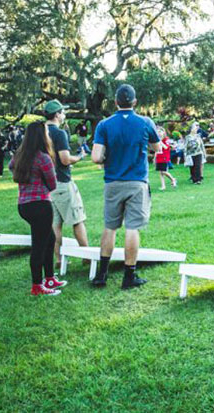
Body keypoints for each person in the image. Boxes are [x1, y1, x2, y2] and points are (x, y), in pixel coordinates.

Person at [91, 84, 161, 289]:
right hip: (137, 181)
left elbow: (96, 157)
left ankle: (101, 275)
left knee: (110, 227)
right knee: (132, 228)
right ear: (135, 102)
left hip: (112, 182)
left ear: (115, 102)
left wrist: (106, 157)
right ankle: (129, 276)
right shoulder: (145, 122)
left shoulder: (104, 125)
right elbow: (157, 147)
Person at [8, 121, 66, 296]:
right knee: (39, 246)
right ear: (42, 136)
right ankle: (37, 286)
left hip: (24, 205)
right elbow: (53, 184)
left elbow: (11, 167)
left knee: (50, 239)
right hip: (40, 205)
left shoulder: (19, 156)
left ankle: (49, 278)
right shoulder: (43, 158)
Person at [44, 100, 90, 267]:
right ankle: (87, 256)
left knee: (55, 224)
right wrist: (79, 157)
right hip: (62, 182)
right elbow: (64, 159)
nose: (64, 115)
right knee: (77, 220)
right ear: (57, 115)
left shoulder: (39, 132)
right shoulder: (59, 133)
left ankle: (58, 259)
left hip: (47, 185)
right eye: (62, 112)